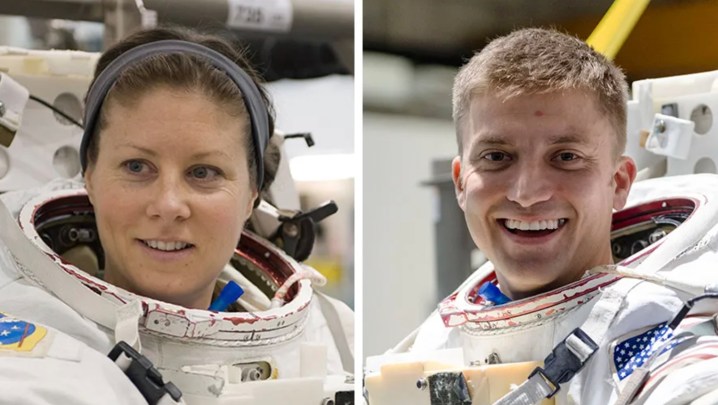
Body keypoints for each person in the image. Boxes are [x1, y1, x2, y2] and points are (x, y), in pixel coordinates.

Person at [0, 26, 353, 405]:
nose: (168, 205)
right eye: (137, 167)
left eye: (203, 173)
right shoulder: (25, 355)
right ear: (89, 176)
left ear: (253, 194)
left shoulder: (337, 339)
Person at [365, 28, 718, 405]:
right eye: (497, 157)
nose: (527, 193)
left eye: (566, 157)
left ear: (618, 183)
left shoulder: (662, 347)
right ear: (460, 183)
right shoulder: (433, 344)